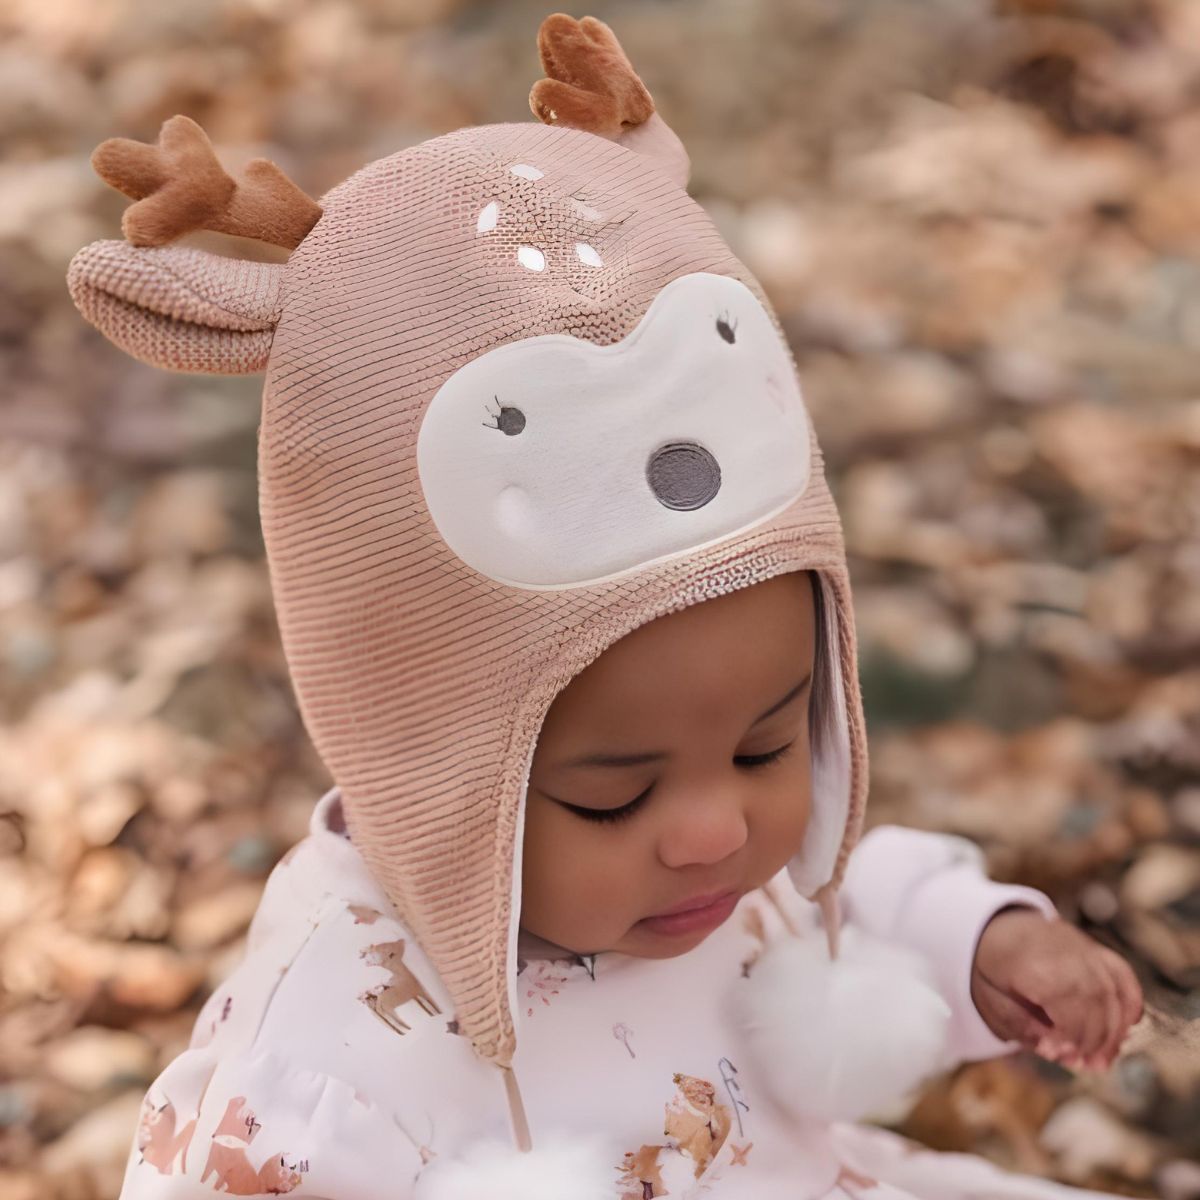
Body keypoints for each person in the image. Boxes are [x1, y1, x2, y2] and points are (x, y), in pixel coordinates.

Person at [66, 13, 1143, 1199]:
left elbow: (834, 906)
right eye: (613, 795)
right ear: (428, 762)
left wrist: (985, 944)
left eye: (769, 743)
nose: (715, 831)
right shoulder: (341, 1056)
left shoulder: (695, 876)